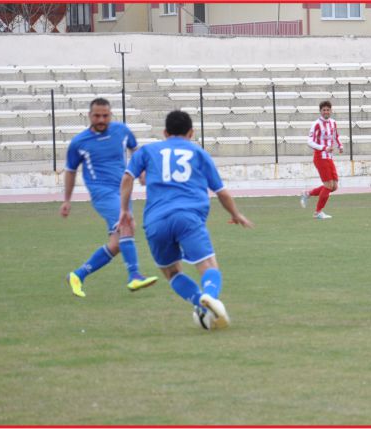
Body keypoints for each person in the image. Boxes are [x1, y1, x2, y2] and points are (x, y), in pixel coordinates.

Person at [120, 110, 254, 330]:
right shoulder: (198, 153)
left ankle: (199, 304)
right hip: (188, 217)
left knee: (171, 271)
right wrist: (235, 214)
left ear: (165, 132)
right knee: (208, 265)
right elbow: (221, 191)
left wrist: (124, 211)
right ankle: (209, 296)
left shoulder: (147, 151)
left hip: (155, 220)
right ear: (191, 133)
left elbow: (127, 177)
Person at [60, 98, 157, 298]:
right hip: (101, 193)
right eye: (97, 115)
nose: (101, 119)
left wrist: (141, 172)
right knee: (126, 225)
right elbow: (70, 171)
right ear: (89, 115)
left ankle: (78, 275)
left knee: (117, 243)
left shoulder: (122, 131)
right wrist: (67, 200)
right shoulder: (79, 142)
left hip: (123, 191)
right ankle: (134, 275)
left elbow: (135, 150)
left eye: (105, 115)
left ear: (110, 115)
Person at [300, 100, 343, 220]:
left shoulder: (333, 123)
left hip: (329, 158)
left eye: (328, 109)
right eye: (324, 110)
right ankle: (317, 212)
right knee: (328, 185)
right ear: (320, 111)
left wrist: (340, 146)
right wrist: (324, 148)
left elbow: (336, 136)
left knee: (334, 186)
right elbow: (309, 141)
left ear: (331, 111)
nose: (326, 112)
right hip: (320, 157)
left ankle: (307, 194)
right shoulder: (316, 124)